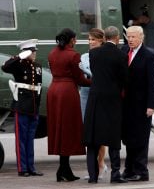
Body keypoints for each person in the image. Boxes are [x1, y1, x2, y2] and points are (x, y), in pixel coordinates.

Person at [83, 26, 128, 184]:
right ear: (116, 38)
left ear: (104, 37)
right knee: (113, 137)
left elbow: (95, 72)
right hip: (113, 99)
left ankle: (93, 176)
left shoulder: (93, 53)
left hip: (95, 98)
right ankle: (115, 174)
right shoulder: (121, 55)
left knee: (92, 138)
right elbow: (124, 79)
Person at [47, 28, 91, 182]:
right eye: (75, 39)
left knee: (59, 128)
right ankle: (64, 169)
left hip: (53, 90)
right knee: (68, 129)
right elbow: (80, 79)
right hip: (67, 92)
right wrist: (96, 82)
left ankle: (63, 169)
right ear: (72, 40)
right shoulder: (73, 55)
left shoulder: (52, 53)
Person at [121, 26, 154, 181]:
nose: (130, 39)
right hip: (126, 104)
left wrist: (152, 105)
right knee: (129, 137)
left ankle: (141, 171)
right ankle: (129, 169)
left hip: (142, 105)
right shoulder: (123, 52)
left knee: (141, 138)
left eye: (133, 37)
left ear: (141, 38)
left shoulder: (148, 56)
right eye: (128, 36)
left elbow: (153, 83)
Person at [1, 39, 43, 177]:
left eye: (34, 51)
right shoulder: (18, 65)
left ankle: (31, 167)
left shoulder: (37, 66)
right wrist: (18, 57)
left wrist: (38, 106)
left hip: (33, 106)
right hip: (21, 106)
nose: (34, 54)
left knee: (30, 139)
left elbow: (39, 87)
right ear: (26, 52)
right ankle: (22, 168)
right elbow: (5, 67)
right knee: (22, 139)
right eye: (32, 52)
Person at [79, 28, 108, 180]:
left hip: (100, 94)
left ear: (101, 41)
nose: (90, 42)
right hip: (85, 94)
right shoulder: (84, 56)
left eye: (93, 40)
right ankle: (92, 168)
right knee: (88, 132)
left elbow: (99, 75)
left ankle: (101, 164)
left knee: (100, 132)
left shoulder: (104, 55)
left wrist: (87, 72)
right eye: (89, 39)